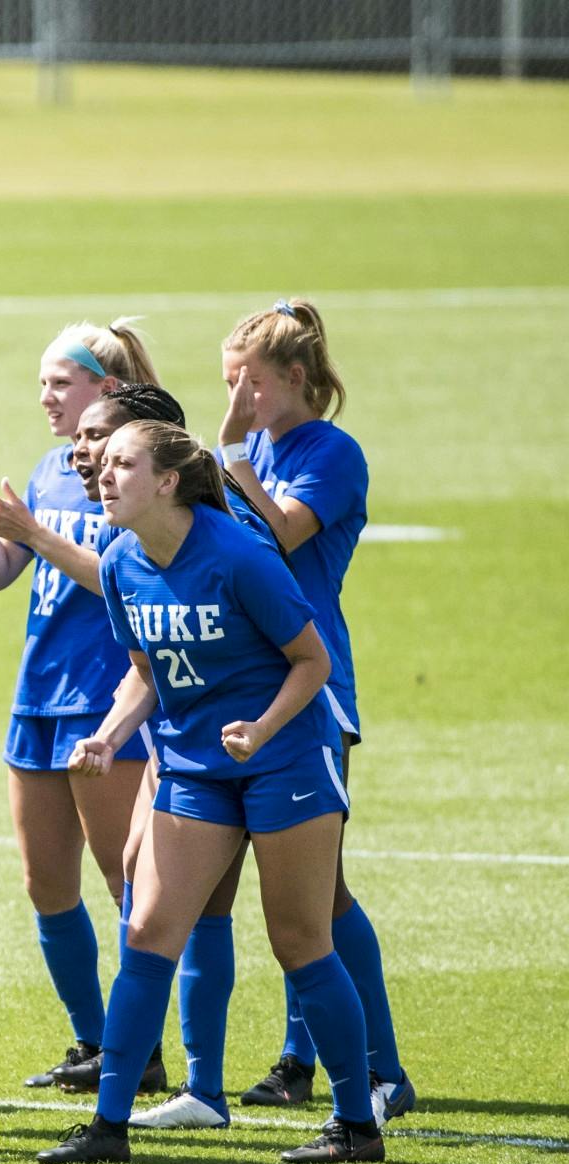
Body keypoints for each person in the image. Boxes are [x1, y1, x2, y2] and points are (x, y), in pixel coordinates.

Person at [39, 421, 383, 1164]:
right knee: (147, 932)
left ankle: (357, 1125)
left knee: (299, 939)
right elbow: (144, 672)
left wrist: (260, 730)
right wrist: (107, 733)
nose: (104, 475)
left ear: (167, 481)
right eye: (104, 465)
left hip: (286, 757)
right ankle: (108, 1127)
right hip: (196, 766)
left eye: (123, 464)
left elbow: (311, 660)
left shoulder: (238, 554)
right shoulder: (124, 563)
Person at [0, 321, 169, 1094]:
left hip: (106, 703)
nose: (46, 397)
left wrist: (31, 529)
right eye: (42, 384)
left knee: (122, 877)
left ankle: (145, 1047)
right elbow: (2, 574)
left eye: (60, 384)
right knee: (45, 884)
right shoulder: (46, 469)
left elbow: (120, 579)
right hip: (37, 698)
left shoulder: (140, 476)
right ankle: (94, 1038)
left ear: (107, 389)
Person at [218, 299, 413, 1122]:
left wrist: (230, 456)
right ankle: (303, 1060)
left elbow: (284, 532)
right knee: (290, 896)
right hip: (250, 682)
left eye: (248, 382)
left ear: (294, 378)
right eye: (228, 383)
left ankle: (381, 1068)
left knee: (320, 893)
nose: (237, 398)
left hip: (314, 683)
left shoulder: (331, 454)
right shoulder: (256, 444)